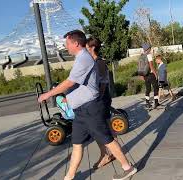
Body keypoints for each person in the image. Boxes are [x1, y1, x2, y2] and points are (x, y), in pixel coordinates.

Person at [38, 30, 136, 180]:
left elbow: (70, 82)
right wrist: (69, 98)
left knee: (107, 140)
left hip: (91, 109)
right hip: (81, 111)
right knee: (77, 143)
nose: (66, 47)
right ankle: (69, 177)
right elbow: (77, 85)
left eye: (67, 43)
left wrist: (47, 94)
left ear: (76, 43)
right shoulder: (81, 58)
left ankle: (127, 168)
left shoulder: (84, 58)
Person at [85, 37, 116, 169]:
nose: (85, 49)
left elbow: (103, 84)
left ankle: (107, 154)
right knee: (103, 127)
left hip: (100, 100)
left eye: (86, 47)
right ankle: (110, 152)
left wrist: (95, 99)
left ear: (92, 48)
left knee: (98, 129)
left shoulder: (99, 63)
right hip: (99, 100)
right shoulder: (93, 62)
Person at [138, 43, 159, 109]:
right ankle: (156, 103)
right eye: (150, 48)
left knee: (148, 89)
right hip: (151, 74)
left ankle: (147, 103)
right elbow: (151, 66)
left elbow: (139, 66)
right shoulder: (149, 55)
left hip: (145, 75)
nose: (150, 49)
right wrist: (155, 74)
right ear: (148, 48)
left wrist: (141, 75)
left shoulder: (141, 56)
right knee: (156, 88)